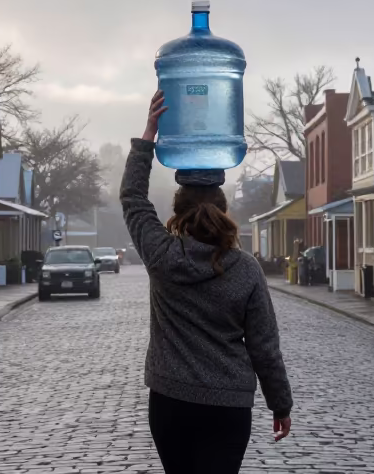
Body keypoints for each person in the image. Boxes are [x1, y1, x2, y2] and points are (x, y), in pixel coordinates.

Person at [120, 91, 293, 474]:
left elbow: (132, 197)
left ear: (177, 212)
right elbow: (265, 347)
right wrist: (280, 405)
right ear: (224, 211)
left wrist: (149, 132)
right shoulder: (246, 269)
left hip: (170, 402)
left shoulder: (161, 256)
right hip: (228, 407)